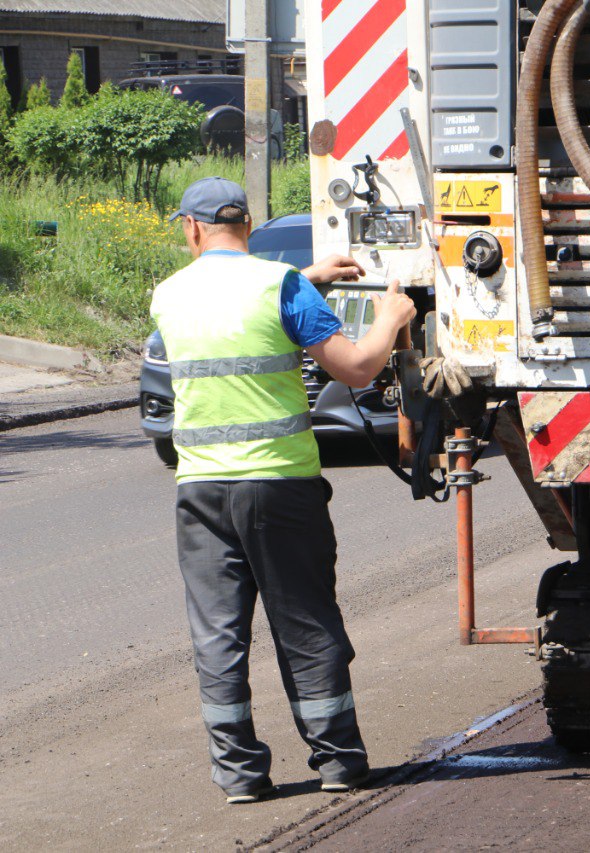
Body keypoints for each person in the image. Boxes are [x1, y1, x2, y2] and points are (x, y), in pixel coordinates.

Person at [151, 177, 417, 804]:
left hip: (201, 489)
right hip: (279, 486)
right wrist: (389, 319)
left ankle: (239, 775)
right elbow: (355, 365)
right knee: (303, 621)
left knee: (218, 633)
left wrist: (306, 276)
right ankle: (338, 762)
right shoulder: (281, 286)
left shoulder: (168, 295)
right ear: (247, 224)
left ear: (191, 229)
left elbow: (233, 309)